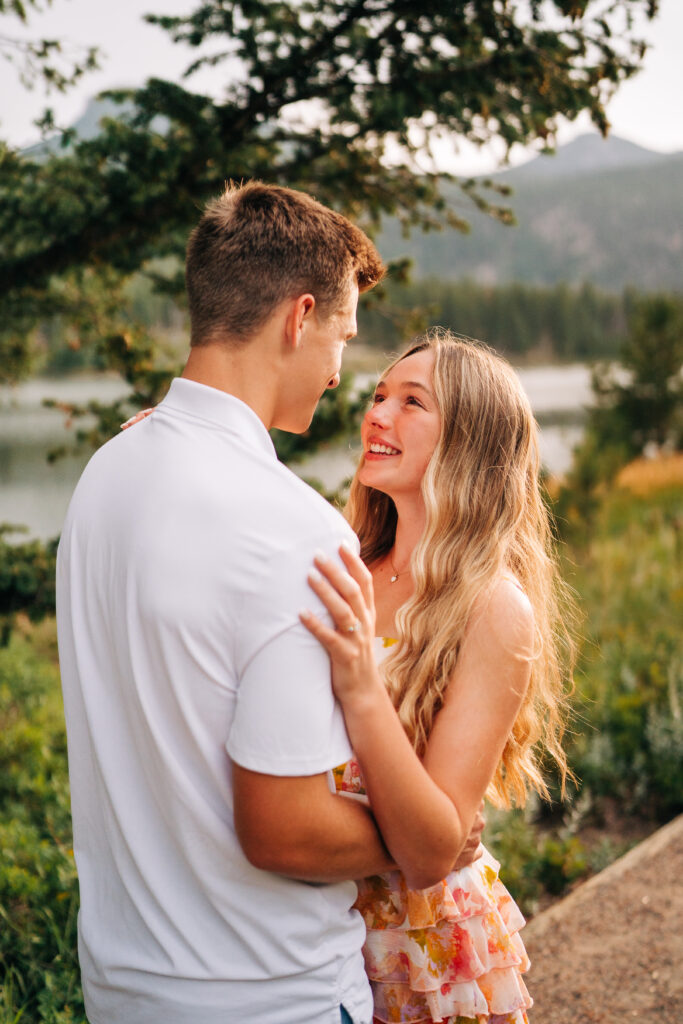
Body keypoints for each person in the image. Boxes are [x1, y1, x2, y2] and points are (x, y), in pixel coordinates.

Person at [56, 184, 483, 1024]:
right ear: (298, 317)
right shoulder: (296, 533)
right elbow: (283, 834)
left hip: (121, 991)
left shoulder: (105, 474)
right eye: (342, 337)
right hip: (266, 995)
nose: (338, 371)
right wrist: (423, 845)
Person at [300, 329, 573, 1024]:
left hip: (420, 945)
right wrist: (183, 446)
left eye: (410, 402)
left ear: (468, 441)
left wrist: (362, 686)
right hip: (314, 928)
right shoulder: (346, 562)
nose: (377, 414)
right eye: (379, 395)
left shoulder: (491, 608)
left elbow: (434, 847)